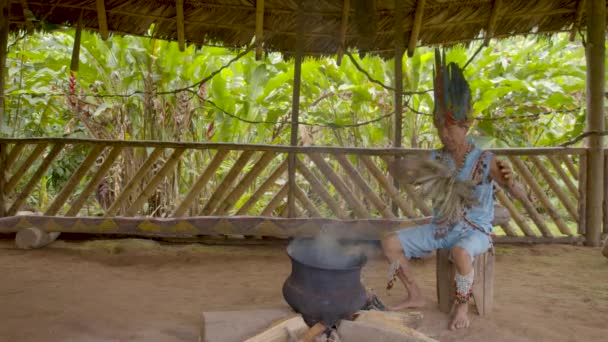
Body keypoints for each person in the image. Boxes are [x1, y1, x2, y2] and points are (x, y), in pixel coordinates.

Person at [381, 50, 522, 330]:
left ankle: (462, 306)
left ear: (466, 126)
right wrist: (395, 164)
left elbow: (521, 194)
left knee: (460, 251)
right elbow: (404, 174)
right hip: (441, 229)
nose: (445, 134)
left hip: (475, 233)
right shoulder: (436, 158)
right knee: (390, 243)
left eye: (451, 127)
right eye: (440, 128)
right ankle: (415, 295)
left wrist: (511, 181)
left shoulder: (486, 160)